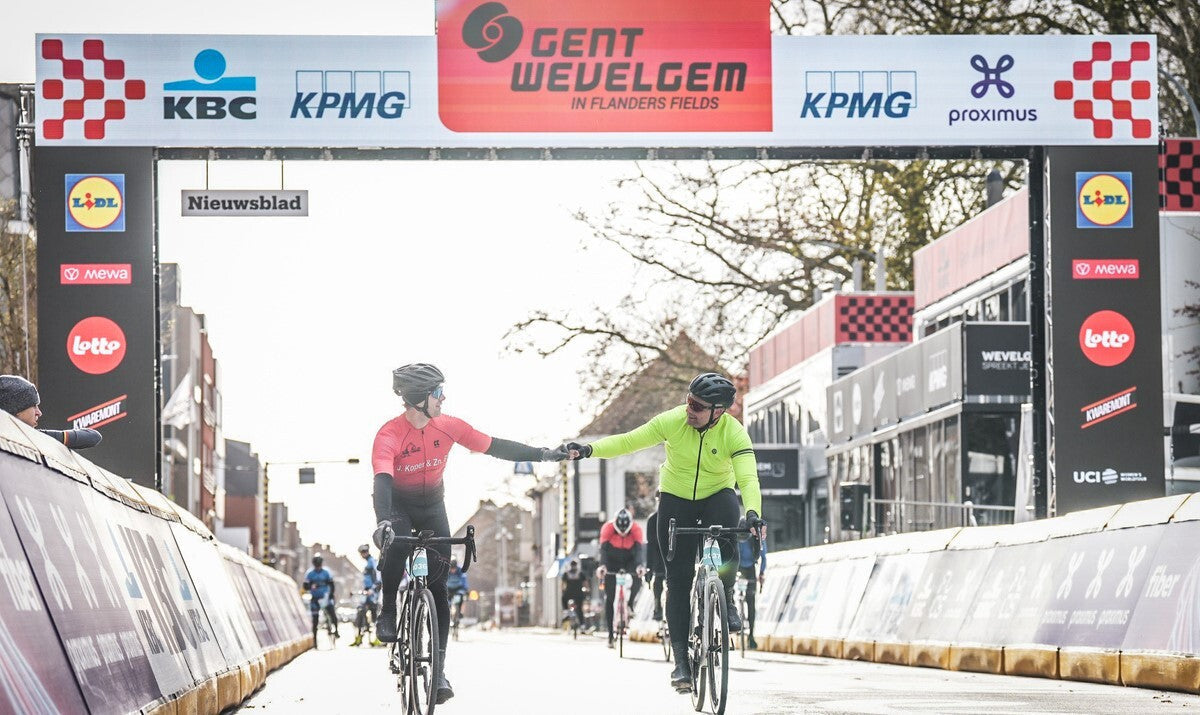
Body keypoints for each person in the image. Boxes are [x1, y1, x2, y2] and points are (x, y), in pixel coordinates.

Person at [372, 363, 569, 704]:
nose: (442, 398)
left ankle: (439, 669)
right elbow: (382, 481)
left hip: (433, 506)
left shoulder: (448, 426)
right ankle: (388, 608)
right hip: (398, 506)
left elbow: (495, 446)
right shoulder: (389, 434)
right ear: (419, 398)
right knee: (396, 544)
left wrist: (544, 454)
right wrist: (383, 522)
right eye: (437, 393)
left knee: (439, 588)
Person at [565, 372, 765, 691]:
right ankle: (682, 663)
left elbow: (748, 478)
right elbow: (629, 441)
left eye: (697, 406)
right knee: (678, 578)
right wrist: (589, 450)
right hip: (676, 498)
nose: (689, 408)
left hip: (717, 495)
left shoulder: (735, 434)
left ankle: (726, 593)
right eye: (688, 400)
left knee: (732, 523)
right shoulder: (673, 421)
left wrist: (754, 513)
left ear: (718, 412)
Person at [0, 375, 101, 448]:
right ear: (16, 409)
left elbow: (93, 437)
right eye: (33, 406)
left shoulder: (33, 437)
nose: (39, 413)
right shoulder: (30, 439)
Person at [595, 507, 645, 648]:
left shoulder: (636, 528)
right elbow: (603, 550)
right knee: (609, 598)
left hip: (629, 559)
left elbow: (639, 551)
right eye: (619, 531)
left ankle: (629, 604)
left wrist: (640, 566)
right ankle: (611, 636)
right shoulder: (607, 528)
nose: (622, 534)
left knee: (638, 578)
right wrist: (602, 566)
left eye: (625, 531)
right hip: (611, 561)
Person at [737, 516, 767, 649]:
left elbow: (763, 557)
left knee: (751, 601)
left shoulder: (756, 537)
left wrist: (761, 573)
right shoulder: (735, 536)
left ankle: (751, 636)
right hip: (737, 566)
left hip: (749, 568)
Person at [303, 554, 338, 644]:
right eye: (316, 565)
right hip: (315, 598)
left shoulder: (326, 572)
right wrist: (311, 585)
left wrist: (331, 595)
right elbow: (305, 586)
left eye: (319, 565)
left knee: (332, 614)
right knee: (315, 619)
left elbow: (332, 584)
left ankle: (336, 630)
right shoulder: (310, 574)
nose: (318, 567)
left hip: (325, 597)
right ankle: (315, 640)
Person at [352, 544, 381, 647]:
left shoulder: (372, 562)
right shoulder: (367, 564)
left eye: (364, 551)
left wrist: (373, 589)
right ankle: (358, 638)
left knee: (375, 617)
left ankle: (377, 638)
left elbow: (378, 578)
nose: (363, 554)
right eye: (362, 552)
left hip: (372, 594)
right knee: (360, 613)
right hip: (366, 593)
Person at [645, 508, 667, 622]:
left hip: (674, 555)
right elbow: (650, 546)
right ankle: (657, 605)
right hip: (659, 558)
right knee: (658, 582)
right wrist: (649, 567)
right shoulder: (653, 519)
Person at [560, 558, 588, 627]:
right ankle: (582, 625)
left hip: (568, 594)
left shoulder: (566, 574)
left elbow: (562, 584)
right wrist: (586, 589)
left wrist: (563, 590)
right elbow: (585, 583)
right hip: (579, 594)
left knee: (563, 599)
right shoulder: (580, 573)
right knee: (579, 609)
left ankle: (566, 612)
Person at [445, 558, 469, 627]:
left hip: (458, 588)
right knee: (447, 601)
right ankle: (448, 613)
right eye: (451, 569)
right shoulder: (447, 571)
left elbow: (464, 581)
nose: (452, 571)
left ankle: (459, 612)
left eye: (454, 569)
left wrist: (465, 590)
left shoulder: (461, 571)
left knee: (460, 598)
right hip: (449, 589)